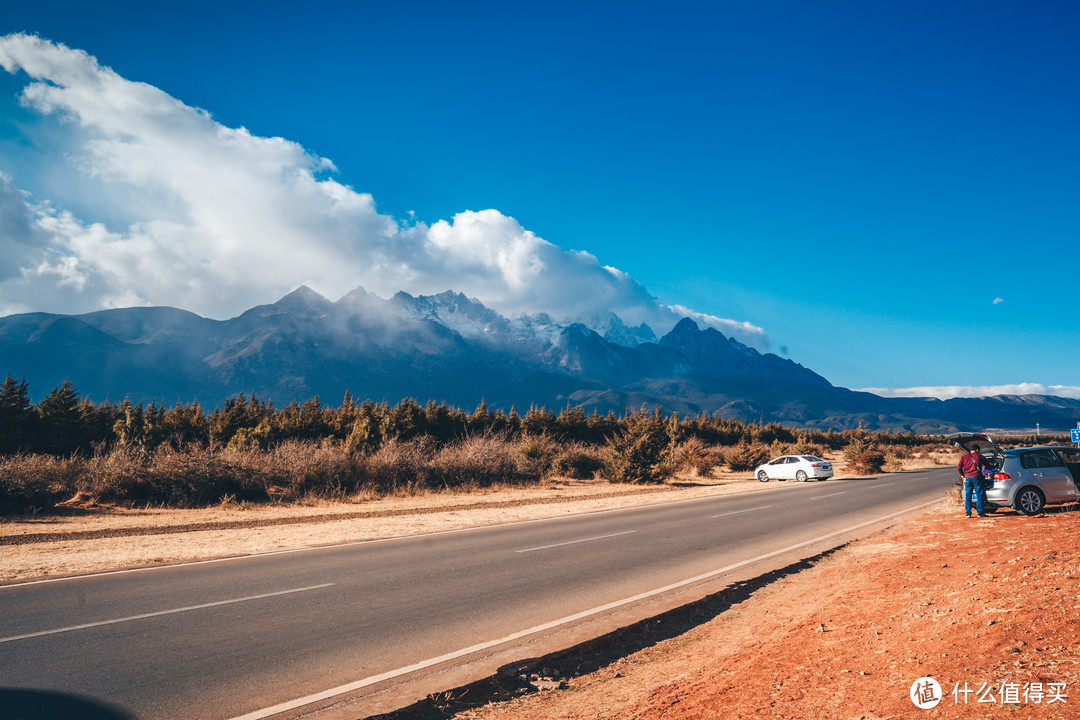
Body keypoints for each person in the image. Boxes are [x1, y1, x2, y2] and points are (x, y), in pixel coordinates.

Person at [958, 447, 987, 517]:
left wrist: (963, 475)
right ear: (977, 450)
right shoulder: (980, 456)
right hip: (977, 477)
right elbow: (988, 465)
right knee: (979, 495)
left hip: (967, 478)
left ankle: (968, 513)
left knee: (968, 495)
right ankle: (980, 513)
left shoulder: (964, 457)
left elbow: (959, 468)